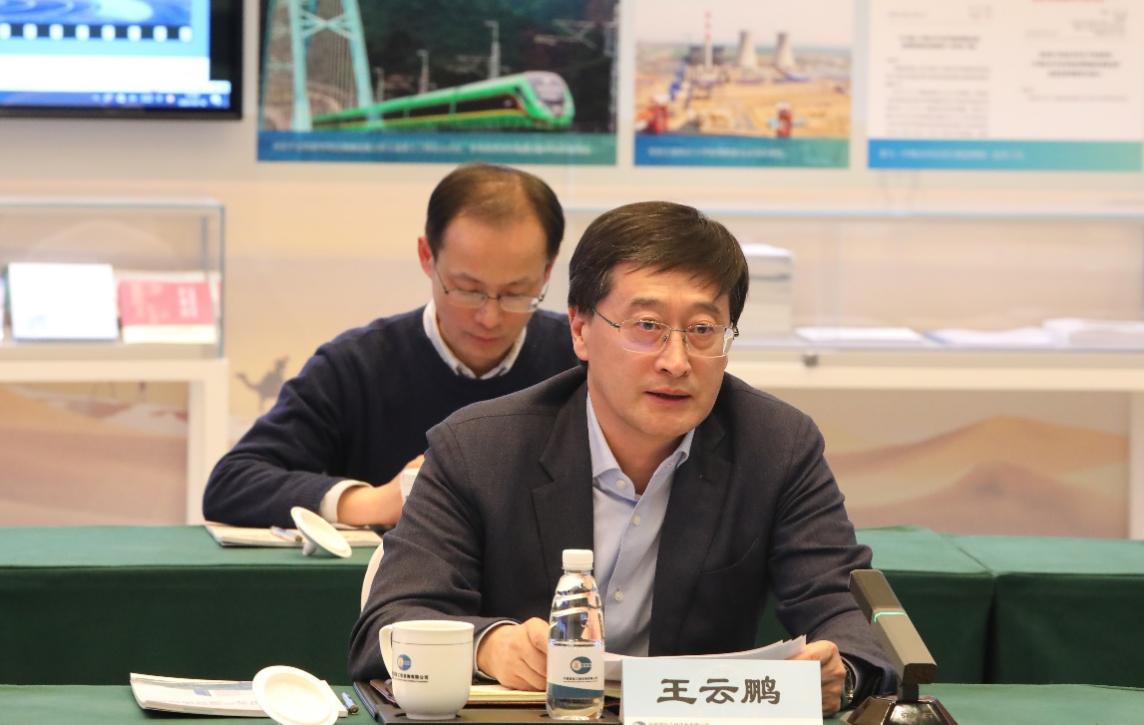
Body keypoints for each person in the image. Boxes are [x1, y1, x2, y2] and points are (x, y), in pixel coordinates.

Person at [349, 201, 894, 715]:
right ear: (580, 330)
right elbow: (390, 625)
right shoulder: (478, 449)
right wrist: (489, 646)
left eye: (702, 330)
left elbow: (849, 613)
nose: (676, 361)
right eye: (647, 327)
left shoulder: (776, 446)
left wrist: (841, 673)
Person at [202, 164, 579, 528]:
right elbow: (233, 482)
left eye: (516, 293)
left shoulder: (582, 361)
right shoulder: (357, 365)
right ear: (427, 257)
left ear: (547, 272)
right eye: (468, 290)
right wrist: (375, 502)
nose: (490, 317)